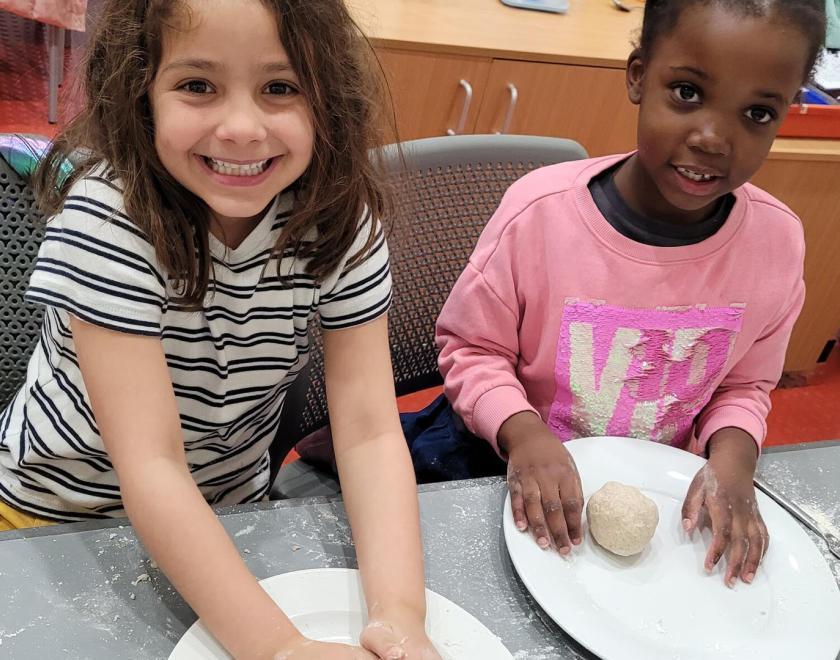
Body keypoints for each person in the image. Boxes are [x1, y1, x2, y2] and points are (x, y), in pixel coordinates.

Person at [0, 1, 440, 658]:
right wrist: (281, 649)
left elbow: (371, 431)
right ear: (142, 90)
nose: (240, 127)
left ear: (330, 98)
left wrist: (401, 615)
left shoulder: (340, 221)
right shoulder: (110, 218)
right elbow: (151, 467)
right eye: (198, 86)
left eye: (281, 88)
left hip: (225, 517)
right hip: (55, 522)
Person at [436, 0, 826, 589]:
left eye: (756, 112)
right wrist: (523, 433)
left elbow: (745, 385)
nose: (714, 138)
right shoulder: (540, 216)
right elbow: (471, 350)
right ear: (639, 75)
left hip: (659, 491)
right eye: (688, 92)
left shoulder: (777, 243)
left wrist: (734, 460)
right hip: (504, 460)